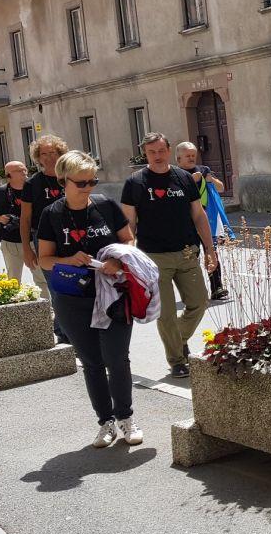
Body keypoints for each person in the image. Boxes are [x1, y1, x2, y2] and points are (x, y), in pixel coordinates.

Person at [37, 150, 144, 448]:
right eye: (81, 183)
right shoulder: (52, 214)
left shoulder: (106, 205)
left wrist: (119, 262)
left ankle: (126, 418)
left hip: (113, 294)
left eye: (92, 182)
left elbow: (128, 240)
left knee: (117, 359)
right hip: (73, 299)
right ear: (63, 182)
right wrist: (68, 260)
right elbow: (44, 260)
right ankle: (105, 422)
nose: (87, 188)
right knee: (92, 362)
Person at [121, 132, 217, 379]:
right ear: (145, 153)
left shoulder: (183, 178)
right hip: (153, 257)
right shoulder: (135, 182)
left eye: (161, 151)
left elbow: (199, 215)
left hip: (186, 252)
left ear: (168, 150)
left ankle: (177, 340)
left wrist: (210, 249)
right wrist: (128, 255)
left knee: (199, 302)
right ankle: (176, 360)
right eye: (152, 152)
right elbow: (129, 223)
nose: (157, 156)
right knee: (165, 314)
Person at [19, 135, 71, 342]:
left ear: (61, 154)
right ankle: (66, 333)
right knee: (56, 286)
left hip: (72, 236)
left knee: (75, 285)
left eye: (53, 153)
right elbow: (25, 218)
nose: (49, 158)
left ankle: (62, 326)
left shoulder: (69, 178)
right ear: (37, 158)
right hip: (44, 241)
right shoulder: (32, 184)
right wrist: (26, 248)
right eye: (44, 154)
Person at [174, 141, 229, 300]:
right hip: (185, 222)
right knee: (190, 256)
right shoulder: (174, 174)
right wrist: (191, 180)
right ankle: (192, 292)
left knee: (211, 251)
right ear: (178, 159)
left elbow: (221, 188)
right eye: (187, 156)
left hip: (206, 219)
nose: (191, 159)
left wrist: (210, 179)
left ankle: (217, 288)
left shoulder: (203, 170)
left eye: (193, 155)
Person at [0, 161, 28, 279]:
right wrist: (0, 219)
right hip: (10, 241)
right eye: (19, 170)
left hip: (33, 240)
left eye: (25, 169)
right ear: (9, 175)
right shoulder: (0, 192)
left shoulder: (33, 189)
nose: (24, 172)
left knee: (41, 279)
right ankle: (15, 298)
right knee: (13, 279)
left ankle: (46, 298)